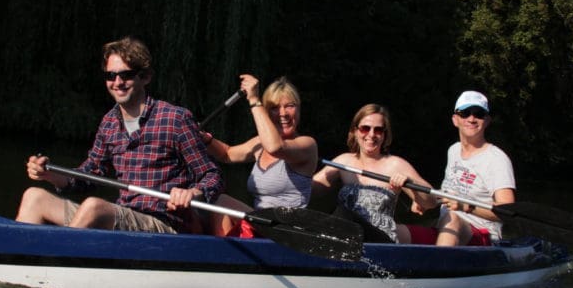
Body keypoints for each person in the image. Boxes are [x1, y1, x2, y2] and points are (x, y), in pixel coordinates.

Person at [15, 36, 223, 233]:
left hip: (164, 223)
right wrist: (51, 176)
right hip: (124, 218)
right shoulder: (109, 123)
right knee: (34, 197)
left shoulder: (175, 119)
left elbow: (211, 176)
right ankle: (14, 261)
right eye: (110, 75)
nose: (117, 82)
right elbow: (89, 175)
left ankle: (53, 264)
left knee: (95, 207)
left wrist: (191, 193)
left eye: (126, 75)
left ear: (146, 77)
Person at [201, 75, 317, 236]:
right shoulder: (260, 143)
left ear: (299, 109)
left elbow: (275, 147)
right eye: (275, 108)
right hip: (262, 225)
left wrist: (254, 100)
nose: (283, 113)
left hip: (288, 232)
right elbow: (227, 154)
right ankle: (224, 257)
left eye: (289, 106)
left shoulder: (307, 144)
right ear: (267, 114)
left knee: (222, 201)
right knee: (220, 202)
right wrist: (206, 140)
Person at [313, 104, 437, 243]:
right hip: (346, 238)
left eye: (378, 130)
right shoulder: (343, 161)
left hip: (380, 240)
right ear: (355, 131)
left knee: (344, 214)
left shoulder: (395, 164)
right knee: (338, 216)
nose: (371, 134)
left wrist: (411, 183)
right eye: (365, 128)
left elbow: (430, 202)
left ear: (385, 135)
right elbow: (312, 187)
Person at [435, 90, 516, 246]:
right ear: (455, 119)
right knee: (398, 231)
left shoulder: (497, 159)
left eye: (478, 114)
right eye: (465, 113)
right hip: (447, 228)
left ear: (487, 121)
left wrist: (466, 206)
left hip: (482, 237)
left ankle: (438, 267)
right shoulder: (453, 150)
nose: (471, 119)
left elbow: (508, 210)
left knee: (453, 220)